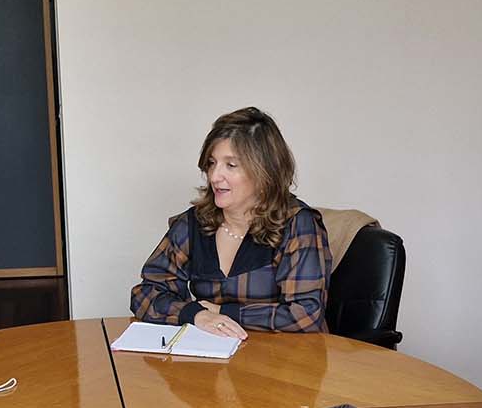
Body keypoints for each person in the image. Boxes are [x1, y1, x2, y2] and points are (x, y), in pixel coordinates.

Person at [130, 107, 331, 337]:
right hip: (217, 360)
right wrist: (197, 314)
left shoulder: (298, 224)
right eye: (212, 163)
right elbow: (145, 294)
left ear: (264, 173)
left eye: (231, 165)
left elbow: (305, 314)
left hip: (286, 362)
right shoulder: (193, 223)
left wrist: (223, 312)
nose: (215, 176)